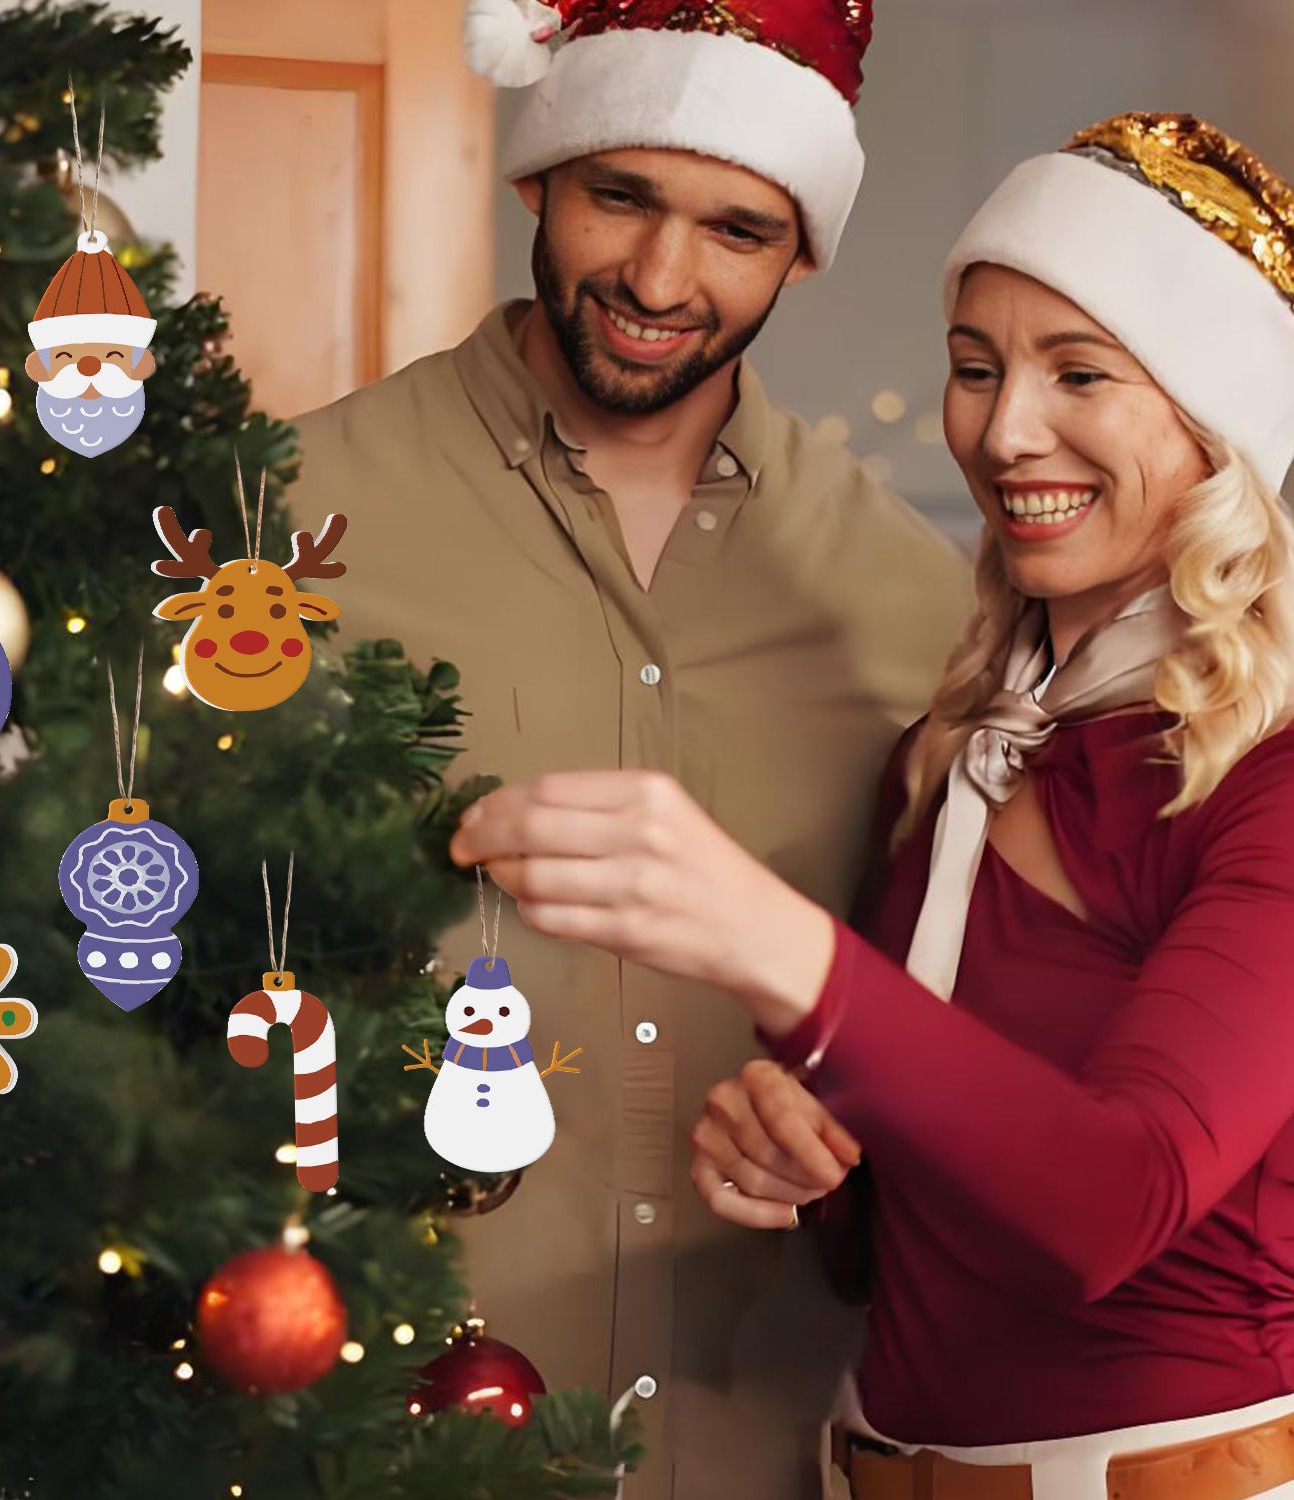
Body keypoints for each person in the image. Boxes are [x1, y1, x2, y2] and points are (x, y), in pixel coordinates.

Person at [450, 110, 1294, 1500]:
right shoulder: (957, 755)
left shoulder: (1265, 779)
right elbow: (923, 1230)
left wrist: (774, 946)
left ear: (1215, 426)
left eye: (1079, 373)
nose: (1003, 428)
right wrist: (813, 1164)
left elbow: (1110, 1203)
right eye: (975, 368)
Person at [290, 1, 971, 1493]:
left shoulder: (917, 607)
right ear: (538, 177)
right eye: (622, 198)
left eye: (736, 228)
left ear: (800, 249)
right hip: (370, 1425)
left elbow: (963, 1030)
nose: (663, 279)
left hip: (770, 1436)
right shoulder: (291, 527)